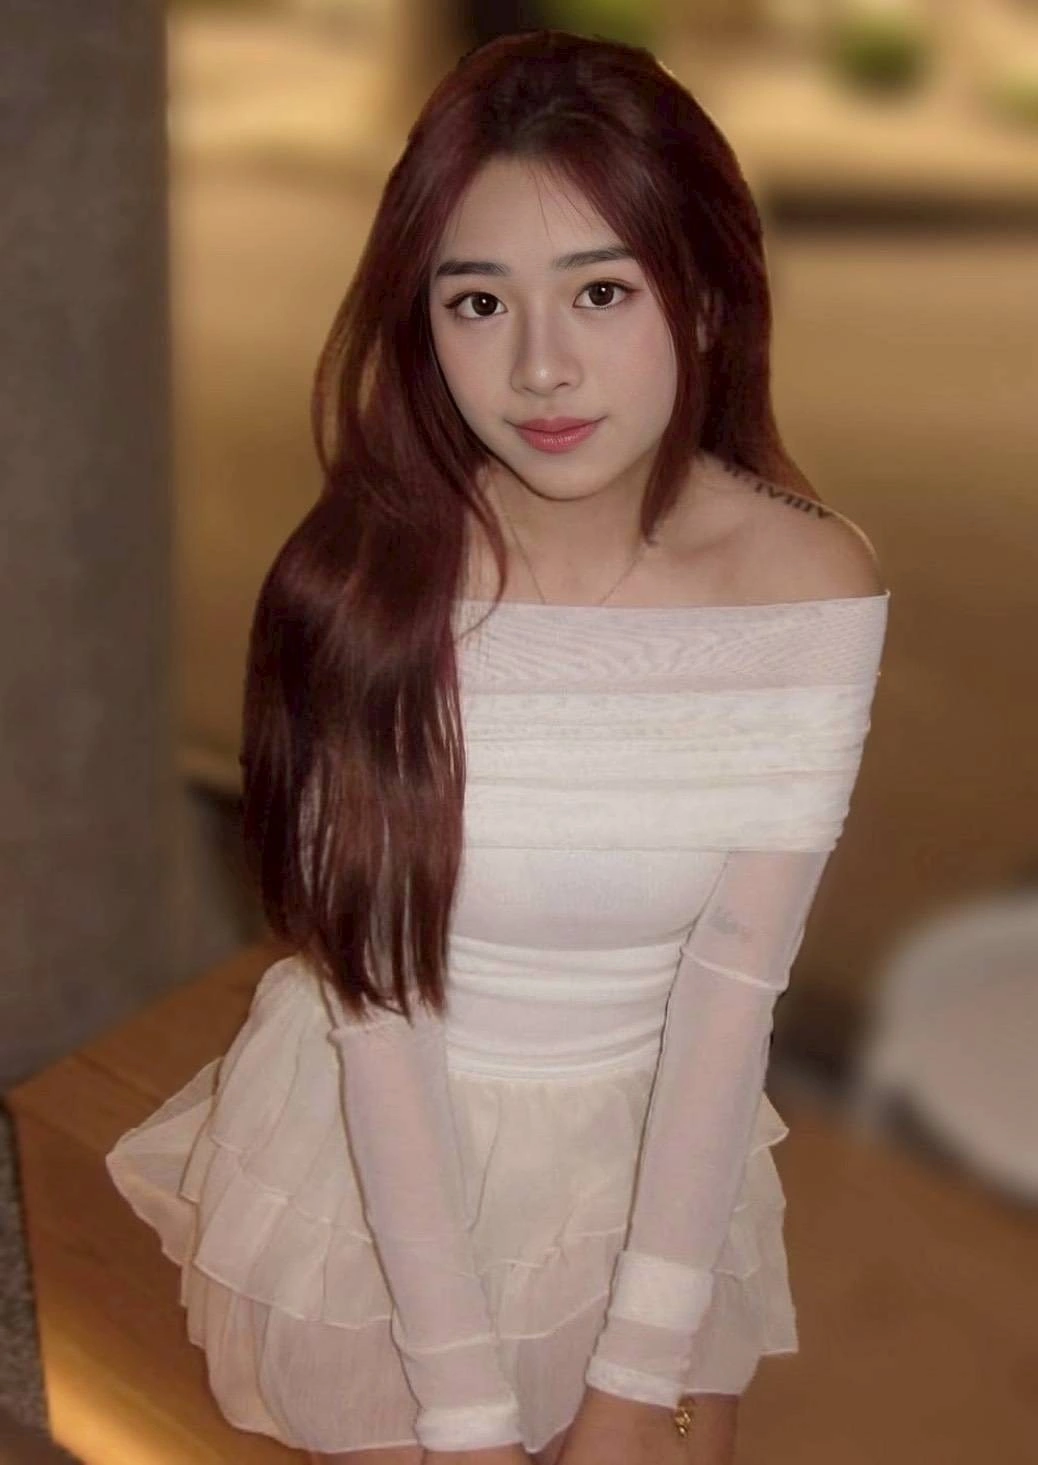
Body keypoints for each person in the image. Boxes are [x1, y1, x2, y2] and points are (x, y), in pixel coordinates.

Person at [105, 28, 890, 1465]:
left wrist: (632, 1375)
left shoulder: (810, 584)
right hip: (379, 1166)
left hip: (654, 1158)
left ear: (708, 297)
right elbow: (381, 1018)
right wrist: (464, 1414)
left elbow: (731, 994)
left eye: (601, 290)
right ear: (424, 323)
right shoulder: (365, 588)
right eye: (478, 301)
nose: (540, 367)